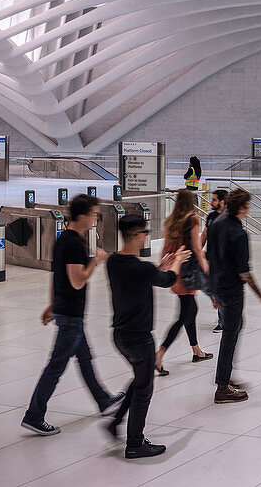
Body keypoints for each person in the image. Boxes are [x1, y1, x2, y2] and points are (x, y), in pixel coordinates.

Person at [23, 195, 122, 436]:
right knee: (56, 366)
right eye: (94, 214)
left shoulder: (63, 240)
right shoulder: (75, 244)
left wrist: (51, 304)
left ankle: (103, 400)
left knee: (85, 358)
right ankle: (34, 415)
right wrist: (96, 261)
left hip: (66, 311)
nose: (96, 218)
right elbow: (77, 281)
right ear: (82, 216)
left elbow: (56, 276)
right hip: (71, 315)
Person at [105, 214, 189, 458]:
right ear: (137, 235)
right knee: (144, 389)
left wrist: (161, 267)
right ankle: (135, 443)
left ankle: (115, 422)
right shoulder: (139, 267)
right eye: (145, 233)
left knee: (139, 380)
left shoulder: (114, 262)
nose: (147, 237)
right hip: (139, 337)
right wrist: (177, 262)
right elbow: (168, 281)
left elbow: (146, 278)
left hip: (120, 335)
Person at [206, 188, 261, 404]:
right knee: (231, 333)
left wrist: (213, 290)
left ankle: (225, 375)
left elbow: (210, 257)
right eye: (248, 206)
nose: (250, 209)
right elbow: (244, 272)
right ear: (243, 208)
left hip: (219, 285)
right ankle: (222, 386)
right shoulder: (238, 234)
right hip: (232, 289)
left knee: (234, 328)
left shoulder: (216, 223)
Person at [155, 189, 213, 375]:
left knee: (190, 310)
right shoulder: (193, 219)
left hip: (176, 271)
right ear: (192, 202)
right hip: (189, 273)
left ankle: (196, 350)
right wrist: (205, 266)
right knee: (183, 316)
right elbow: (196, 248)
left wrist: (162, 268)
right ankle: (159, 354)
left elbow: (165, 248)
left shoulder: (171, 220)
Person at [201, 188, 229, 333]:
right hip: (209, 258)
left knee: (219, 289)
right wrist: (197, 252)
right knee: (204, 285)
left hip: (223, 262)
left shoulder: (229, 219)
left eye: (214, 199)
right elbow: (205, 234)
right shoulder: (211, 216)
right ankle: (223, 314)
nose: (211, 202)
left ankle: (223, 321)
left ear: (222, 202)